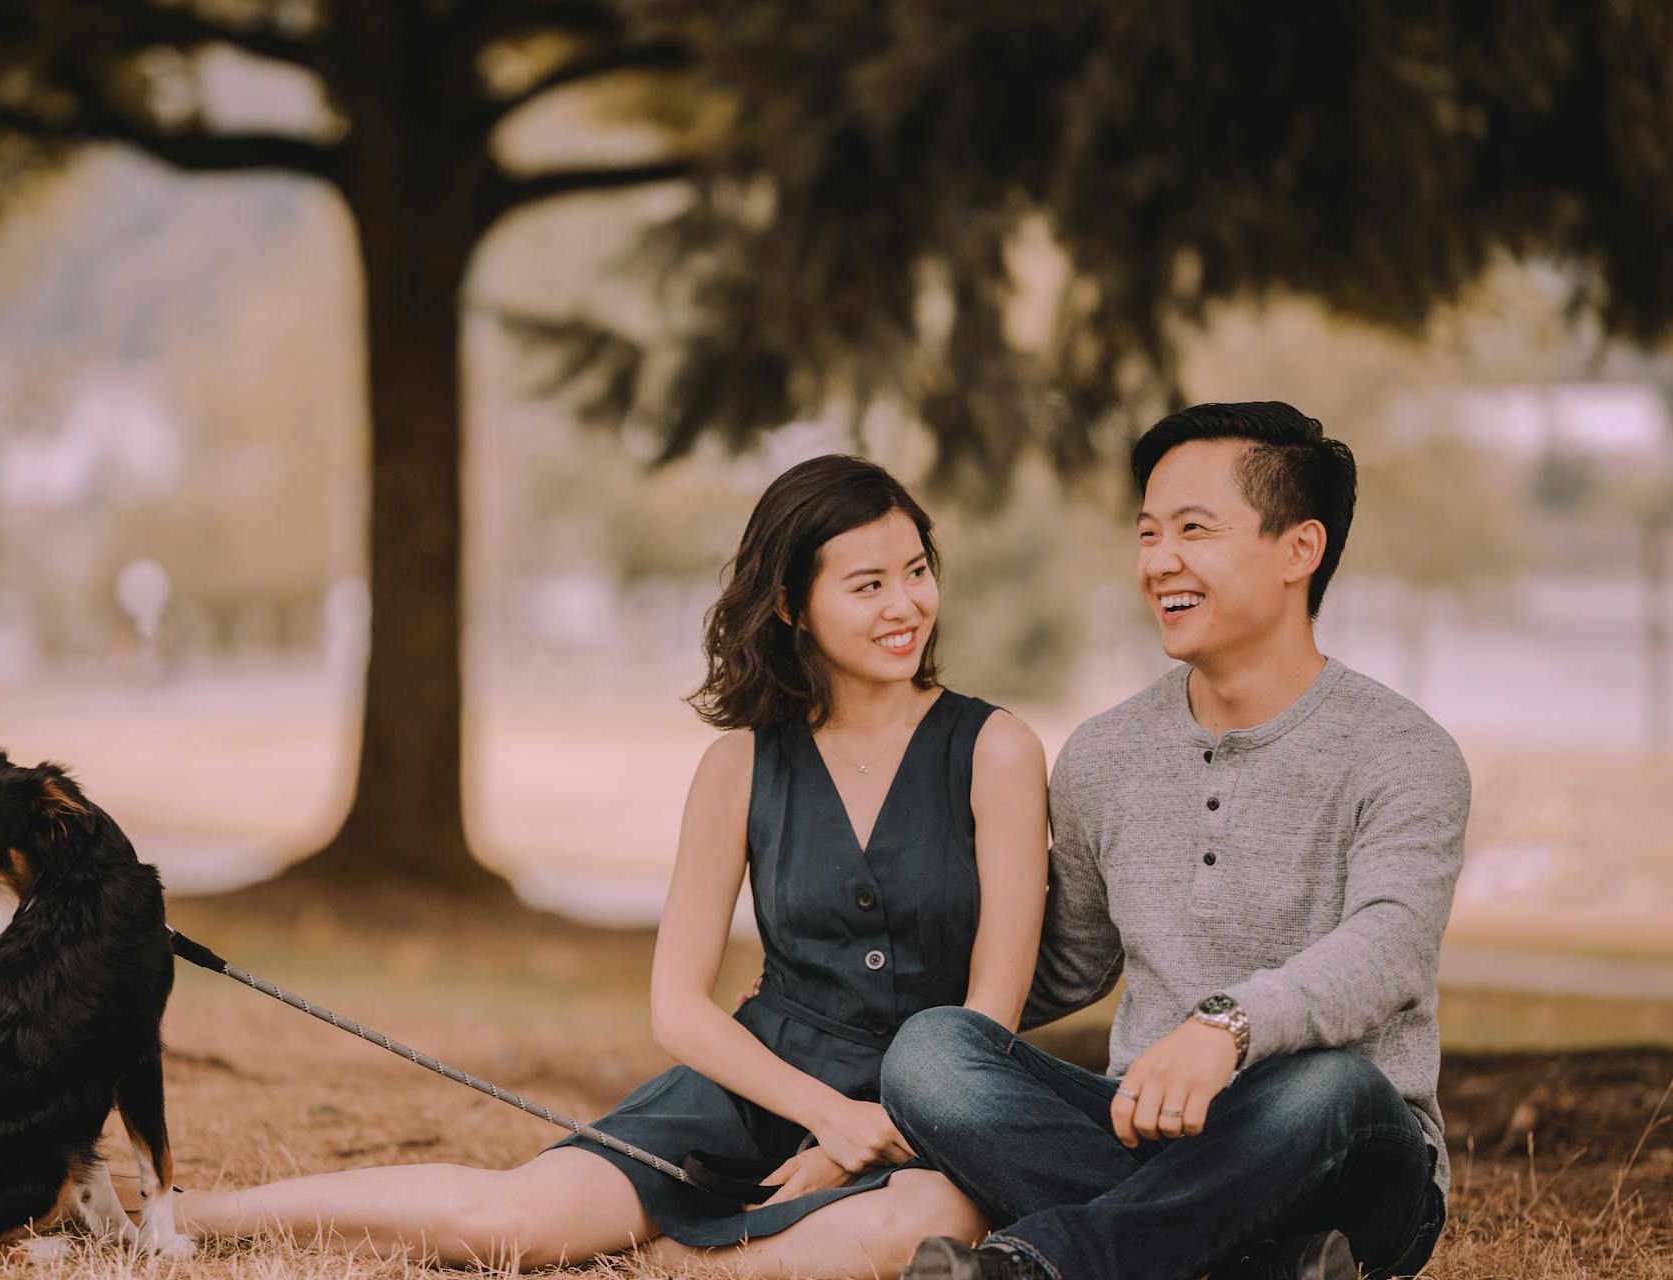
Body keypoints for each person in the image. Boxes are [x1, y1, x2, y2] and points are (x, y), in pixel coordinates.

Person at [168, 454, 1050, 1278]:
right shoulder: (740, 767)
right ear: (791, 605)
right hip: (753, 1087)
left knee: (921, 1231)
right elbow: (676, 1006)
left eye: (917, 571)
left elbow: (988, 1020)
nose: (905, 604)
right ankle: (186, 1214)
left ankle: (673, 1259)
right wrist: (822, 1116)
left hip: (927, 1115)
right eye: (868, 585)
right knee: (510, 1225)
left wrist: (869, 1132)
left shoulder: (996, 751)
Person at [884, 403, 1468, 1280]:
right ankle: (1249, 1263)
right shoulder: (1106, 754)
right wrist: (864, 968)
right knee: (932, 1054)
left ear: (1299, 550)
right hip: (1142, 1134)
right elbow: (1062, 964)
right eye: (1149, 532)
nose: (1159, 562)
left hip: (1347, 1152)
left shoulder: (1403, 752)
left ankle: (1039, 1265)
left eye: (1194, 530)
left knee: (1329, 1083)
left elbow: (1388, 950)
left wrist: (1226, 1028)